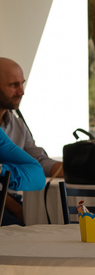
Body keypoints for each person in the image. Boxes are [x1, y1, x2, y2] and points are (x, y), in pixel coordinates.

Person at [1, 58, 59, 224]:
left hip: (14, 199)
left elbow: (38, 161)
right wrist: (17, 210)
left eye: (22, 84)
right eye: (14, 85)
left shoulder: (18, 125)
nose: (21, 92)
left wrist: (76, 170)